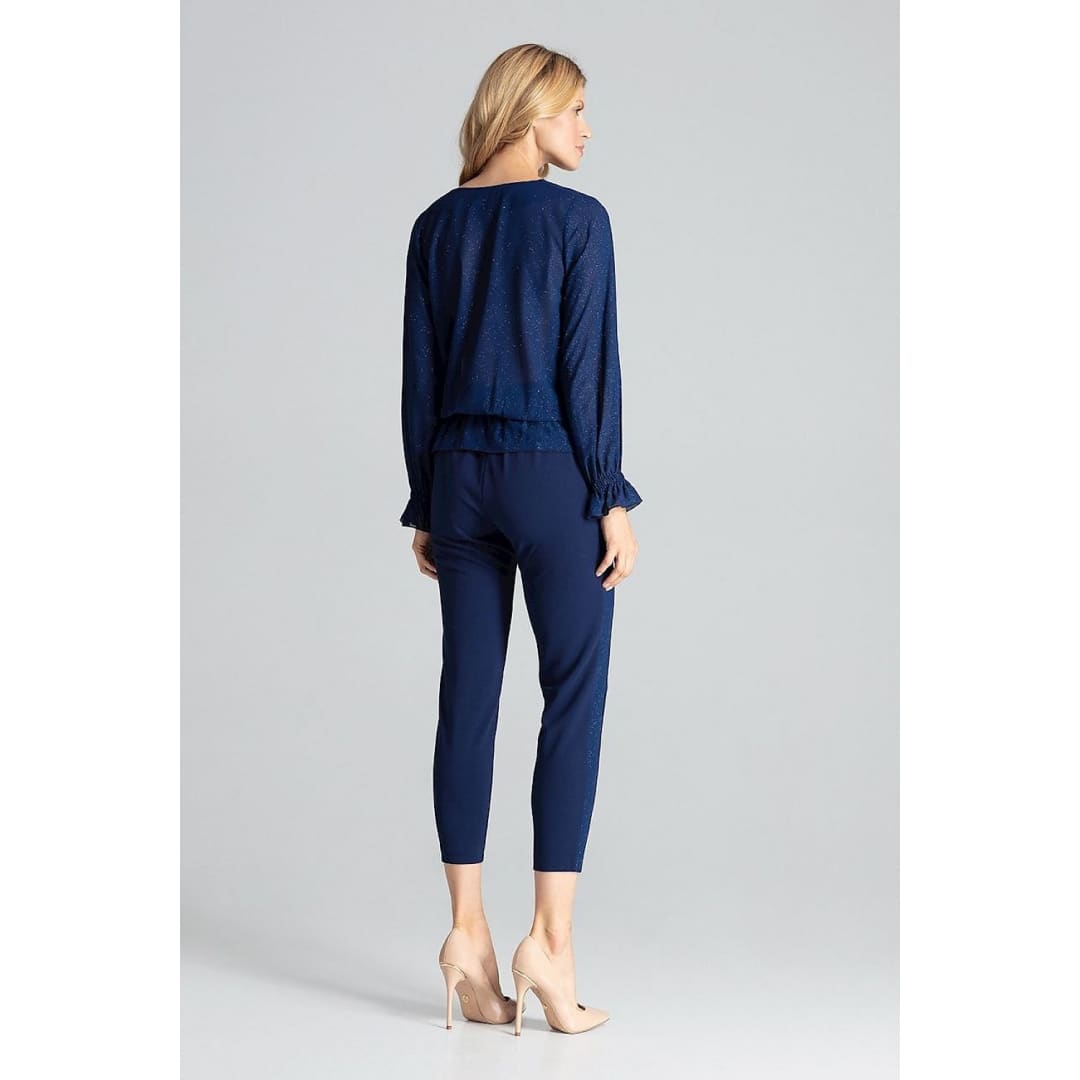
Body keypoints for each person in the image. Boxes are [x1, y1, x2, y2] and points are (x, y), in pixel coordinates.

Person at [398, 44, 643, 1036]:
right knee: (571, 695)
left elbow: (420, 373)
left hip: (458, 479)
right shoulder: (579, 222)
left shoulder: (435, 225)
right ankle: (551, 944)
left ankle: (467, 934)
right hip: (550, 476)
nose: (587, 129)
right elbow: (588, 371)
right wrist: (610, 495)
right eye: (576, 109)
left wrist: (427, 500)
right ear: (533, 112)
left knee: (467, 695)